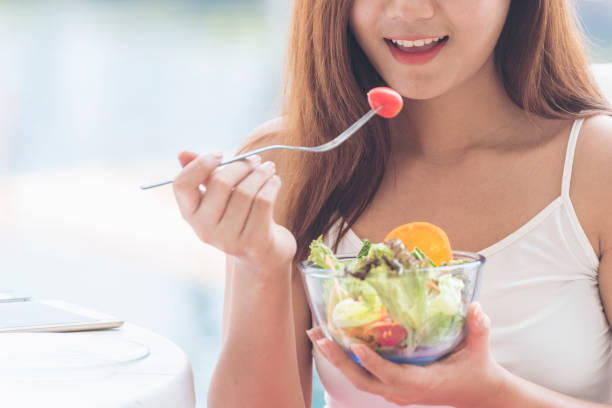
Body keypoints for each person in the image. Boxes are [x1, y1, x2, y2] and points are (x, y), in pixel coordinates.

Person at [173, 1, 612, 407]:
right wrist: (260, 264)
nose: (410, 10)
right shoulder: (286, 165)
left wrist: (488, 390)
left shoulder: (597, 166)